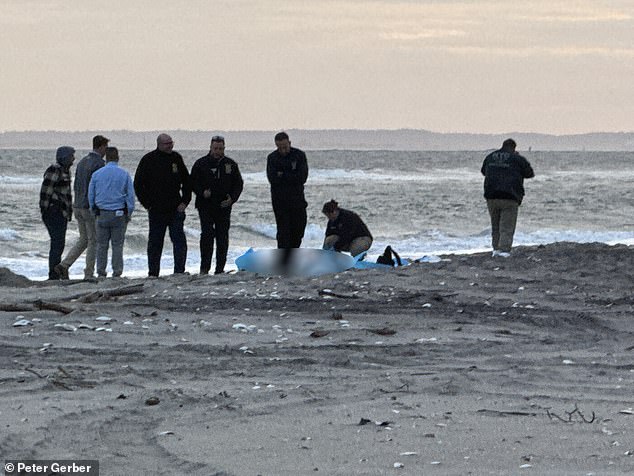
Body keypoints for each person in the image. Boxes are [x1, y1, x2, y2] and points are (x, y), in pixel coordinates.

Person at [134, 133, 192, 277]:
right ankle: (153, 273)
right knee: (155, 242)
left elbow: (187, 182)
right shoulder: (148, 160)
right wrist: (147, 204)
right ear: (159, 144)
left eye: (171, 143)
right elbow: (138, 184)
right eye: (167, 143)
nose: (170, 146)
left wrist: (185, 201)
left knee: (179, 241)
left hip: (175, 208)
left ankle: (179, 271)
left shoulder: (176, 158)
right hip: (156, 209)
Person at [57, 135, 108, 280]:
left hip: (78, 204)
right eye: (105, 147)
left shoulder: (82, 162)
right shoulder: (99, 164)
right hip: (89, 206)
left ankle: (65, 265)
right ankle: (88, 272)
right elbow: (98, 187)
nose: (106, 151)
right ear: (100, 147)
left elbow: (76, 184)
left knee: (84, 239)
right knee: (94, 240)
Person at [190, 135, 244, 275]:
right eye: (215, 148)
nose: (218, 151)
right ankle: (204, 268)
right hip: (205, 205)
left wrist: (232, 199)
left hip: (223, 205)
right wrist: (201, 192)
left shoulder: (230, 164)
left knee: (222, 237)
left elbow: (238, 184)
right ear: (210, 148)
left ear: (224, 148)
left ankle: (220, 268)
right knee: (207, 235)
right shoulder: (201, 163)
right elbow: (193, 182)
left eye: (220, 148)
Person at [481, 138, 535, 257]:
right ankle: (504, 250)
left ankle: (495, 249)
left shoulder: (490, 157)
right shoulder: (517, 159)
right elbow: (530, 173)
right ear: (514, 147)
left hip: (492, 195)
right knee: (507, 226)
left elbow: (484, 171)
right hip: (510, 196)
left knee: (495, 225)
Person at [88, 147, 135, 278]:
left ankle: (101, 272)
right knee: (117, 245)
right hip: (118, 213)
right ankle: (117, 271)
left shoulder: (97, 174)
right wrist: (129, 212)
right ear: (117, 157)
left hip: (102, 212)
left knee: (101, 245)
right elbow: (130, 196)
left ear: (106, 158)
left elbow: (91, 194)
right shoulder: (124, 174)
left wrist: (93, 209)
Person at [266, 131, 309, 249]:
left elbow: (302, 177)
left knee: (298, 232)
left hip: (297, 201)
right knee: (283, 235)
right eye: (280, 147)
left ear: (289, 143)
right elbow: (273, 179)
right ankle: (283, 261)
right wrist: (290, 176)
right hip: (280, 203)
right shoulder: (272, 158)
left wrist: (283, 175)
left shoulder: (299, 155)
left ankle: (294, 258)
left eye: (285, 147)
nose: (283, 150)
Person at [39, 146, 75, 280]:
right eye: (71, 156)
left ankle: (56, 271)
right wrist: (45, 211)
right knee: (57, 243)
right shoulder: (55, 169)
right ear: (64, 157)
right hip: (55, 211)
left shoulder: (66, 171)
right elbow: (45, 191)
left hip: (62, 212)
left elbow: (67, 195)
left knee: (59, 243)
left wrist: (69, 212)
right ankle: (53, 273)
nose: (73, 159)